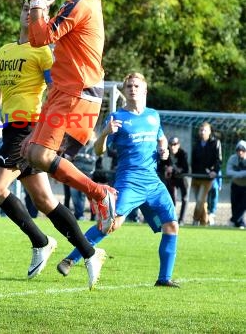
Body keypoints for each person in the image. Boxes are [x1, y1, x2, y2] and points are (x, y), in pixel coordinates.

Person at [0, 0, 106, 289]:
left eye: (35, 11)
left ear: (43, 17)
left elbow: (55, 89)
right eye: (25, 9)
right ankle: (89, 251)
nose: (28, 14)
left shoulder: (43, 51)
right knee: (46, 201)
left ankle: (41, 241)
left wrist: (46, 128)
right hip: (11, 128)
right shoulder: (5, 51)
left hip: (29, 127)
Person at [11, 0, 116, 235]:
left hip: (77, 91)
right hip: (64, 89)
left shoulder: (80, 4)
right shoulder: (82, 3)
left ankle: (100, 194)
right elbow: (41, 33)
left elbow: (39, 38)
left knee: (41, 156)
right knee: (31, 154)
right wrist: (38, 2)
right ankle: (96, 201)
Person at [56, 73, 180, 288]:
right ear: (124, 91)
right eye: (129, 86)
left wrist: (164, 150)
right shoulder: (116, 117)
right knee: (110, 224)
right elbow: (98, 150)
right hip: (129, 182)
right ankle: (70, 259)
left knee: (172, 226)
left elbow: (161, 137)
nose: (133, 89)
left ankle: (164, 279)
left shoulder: (153, 115)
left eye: (137, 86)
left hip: (153, 183)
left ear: (145, 90)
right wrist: (104, 133)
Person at [190, 122, 222, 226]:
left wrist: (214, 171)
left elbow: (218, 160)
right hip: (196, 177)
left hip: (206, 178)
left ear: (209, 132)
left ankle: (195, 220)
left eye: (205, 130)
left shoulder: (215, 143)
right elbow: (193, 160)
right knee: (201, 202)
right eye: (201, 130)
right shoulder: (196, 143)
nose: (202, 132)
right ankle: (204, 222)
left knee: (200, 200)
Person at [158, 137, 189, 224]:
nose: (172, 147)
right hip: (171, 180)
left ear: (178, 145)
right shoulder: (166, 153)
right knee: (172, 199)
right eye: (171, 144)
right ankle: (171, 218)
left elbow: (186, 169)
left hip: (182, 179)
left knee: (184, 198)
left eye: (175, 144)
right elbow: (161, 165)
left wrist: (174, 169)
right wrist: (166, 168)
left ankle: (181, 219)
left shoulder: (183, 154)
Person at [226, 140, 246, 229]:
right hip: (235, 184)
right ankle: (239, 223)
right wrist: (241, 174)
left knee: (243, 205)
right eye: (238, 150)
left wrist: (238, 174)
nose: (240, 152)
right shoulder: (232, 158)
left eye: (243, 150)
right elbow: (228, 171)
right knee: (234, 205)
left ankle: (234, 221)